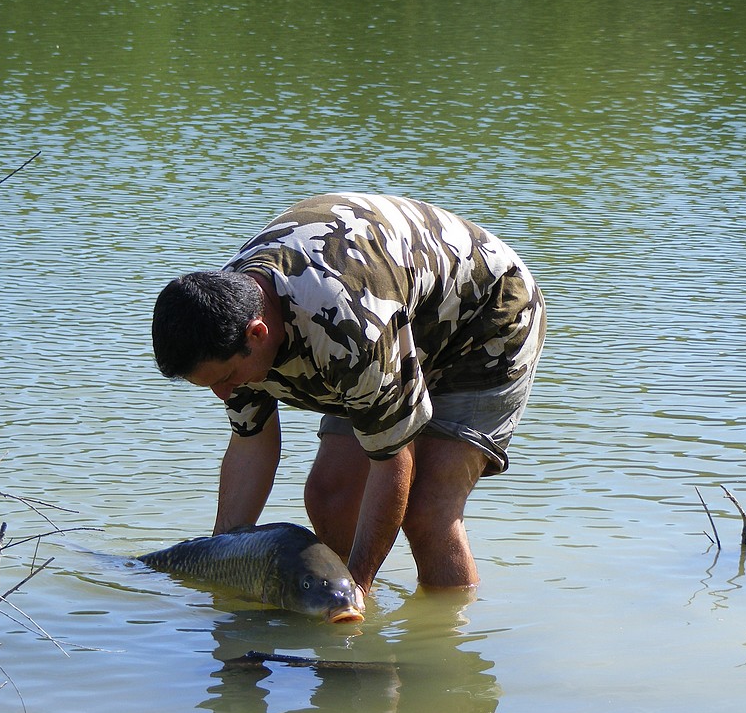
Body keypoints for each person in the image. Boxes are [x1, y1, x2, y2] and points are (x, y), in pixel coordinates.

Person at [152, 193, 545, 607]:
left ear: (257, 334)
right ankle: (331, 611)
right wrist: (222, 561)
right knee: (330, 495)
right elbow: (252, 442)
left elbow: (393, 456)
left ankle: (442, 650)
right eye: (210, 385)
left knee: (427, 511)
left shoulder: (349, 327)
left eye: (228, 379)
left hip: (483, 321)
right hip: (389, 316)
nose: (225, 394)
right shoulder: (222, 314)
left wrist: (357, 587)